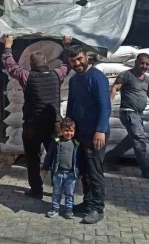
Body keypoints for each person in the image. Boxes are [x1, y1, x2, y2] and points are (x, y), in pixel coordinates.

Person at [2, 35, 72, 199]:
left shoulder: (27, 76)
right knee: (55, 158)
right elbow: (68, 64)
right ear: (47, 62)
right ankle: (58, 189)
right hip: (53, 125)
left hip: (32, 125)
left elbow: (10, 65)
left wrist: (8, 45)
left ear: (31, 65)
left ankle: (36, 190)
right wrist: (66, 45)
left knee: (33, 159)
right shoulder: (57, 75)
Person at [64, 46, 110, 224]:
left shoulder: (97, 78)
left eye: (79, 59)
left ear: (86, 57)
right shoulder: (74, 80)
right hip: (80, 133)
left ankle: (98, 208)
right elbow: (71, 105)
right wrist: (67, 126)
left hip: (94, 134)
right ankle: (88, 202)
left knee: (94, 172)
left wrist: (100, 130)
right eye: (73, 61)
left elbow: (105, 106)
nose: (77, 64)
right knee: (83, 170)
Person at [105, 53, 149, 181]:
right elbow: (115, 88)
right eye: (142, 63)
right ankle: (147, 170)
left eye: (147, 64)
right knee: (139, 140)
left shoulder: (146, 79)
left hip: (138, 115)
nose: (144, 66)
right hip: (128, 112)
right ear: (136, 62)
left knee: (131, 140)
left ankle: (108, 158)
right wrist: (107, 105)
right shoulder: (126, 75)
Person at [41, 117, 80, 219]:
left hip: (71, 174)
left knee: (69, 193)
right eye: (66, 130)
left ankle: (69, 210)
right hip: (58, 172)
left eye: (71, 131)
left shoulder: (76, 143)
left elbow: (79, 159)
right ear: (61, 130)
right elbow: (49, 155)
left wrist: (81, 172)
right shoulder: (56, 142)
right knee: (56, 192)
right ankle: (54, 208)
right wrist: (45, 168)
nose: (69, 133)